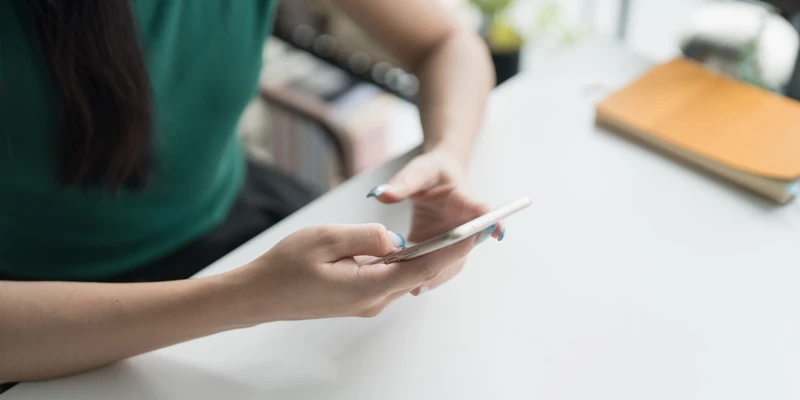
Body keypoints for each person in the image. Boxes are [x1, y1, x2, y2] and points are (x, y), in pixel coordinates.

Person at [0, 0, 500, 381]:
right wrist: (248, 298)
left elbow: (447, 42)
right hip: (39, 316)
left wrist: (446, 153)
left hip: (239, 227)